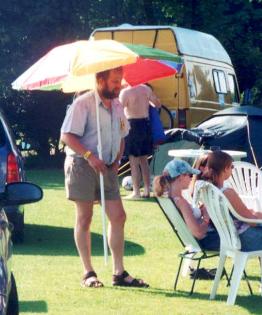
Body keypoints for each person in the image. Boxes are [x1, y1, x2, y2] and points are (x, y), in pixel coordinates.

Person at [60, 67, 149, 288]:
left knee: (118, 216)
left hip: (108, 168)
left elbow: (122, 134)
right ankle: (88, 272)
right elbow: (66, 136)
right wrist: (90, 156)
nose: (119, 85)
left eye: (120, 81)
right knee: (85, 218)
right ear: (100, 80)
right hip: (82, 165)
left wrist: (117, 159)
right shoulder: (83, 103)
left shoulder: (118, 104)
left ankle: (119, 273)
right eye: (115, 81)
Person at [153, 158, 220, 251]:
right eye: (189, 175)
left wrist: (199, 211)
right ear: (181, 177)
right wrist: (206, 217)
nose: (191, 178)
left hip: (192, 241)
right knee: (241, 237)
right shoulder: (181, 202)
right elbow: (198, 233)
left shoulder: (170, 199)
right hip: (206, 241)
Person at [205, 150, 262, 251]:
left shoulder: (209, 190)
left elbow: (242, 214)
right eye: (232, 167)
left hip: (228, 239)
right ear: (226, 168)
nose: (232, 170)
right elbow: (251, 221)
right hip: (245, 240)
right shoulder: (227, 192)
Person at [119, 83, 161, 199]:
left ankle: (136, 191)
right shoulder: (146, 89)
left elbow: (119, 111)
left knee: (133, 161)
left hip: (132, 125)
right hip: (145, 124)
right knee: (144, 160)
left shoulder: (125, 92)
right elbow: (157, 104)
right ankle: (147, 190)